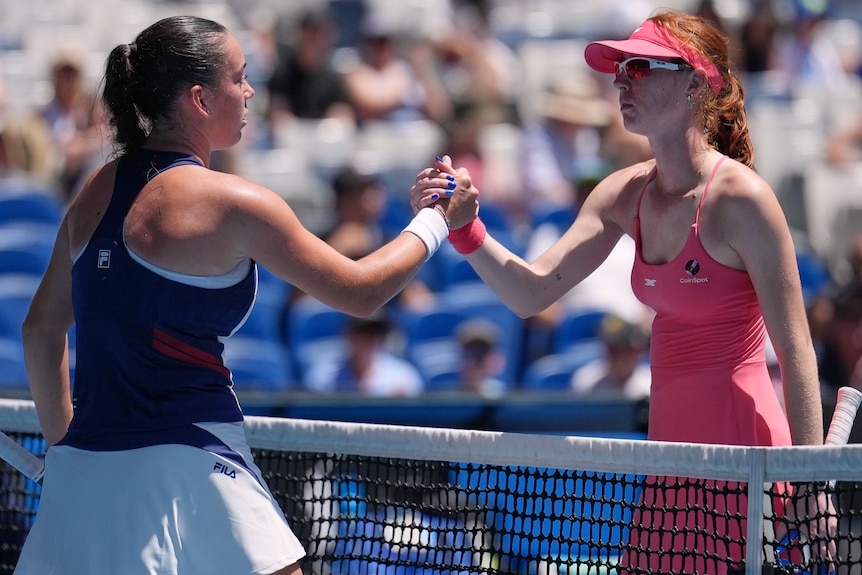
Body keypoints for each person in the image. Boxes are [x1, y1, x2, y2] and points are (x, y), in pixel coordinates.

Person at [17, 15, 475, 575]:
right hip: (192, 459)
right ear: (200, 99)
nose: (251, 90)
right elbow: (361, 291)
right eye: (240, 77)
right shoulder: (234, 202)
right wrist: (434, 221)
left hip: (86, 472)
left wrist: (65, 447)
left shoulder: (97, 188)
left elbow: (40, 332)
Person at [413, 10, 835, 573]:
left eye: (638, 67)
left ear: (694, 83)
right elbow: (530, 293)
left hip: (745, 457)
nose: (620, 80)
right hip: (667, 460)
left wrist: (809, 482)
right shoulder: (621, 194)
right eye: (620, 69)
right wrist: (466, 229)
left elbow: (797, 349)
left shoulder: (743, 200)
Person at [304, 310, 424, 396]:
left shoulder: (403, 376)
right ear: (348, 334)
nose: (369, 339)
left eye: (375, 333)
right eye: (362, 331)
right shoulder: (324, 376)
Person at [569, 312, 651, 400]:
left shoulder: (649, 385)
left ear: (634, 351)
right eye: (609, 348)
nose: (611, 355)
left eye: (617, 350)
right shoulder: (586, 381)